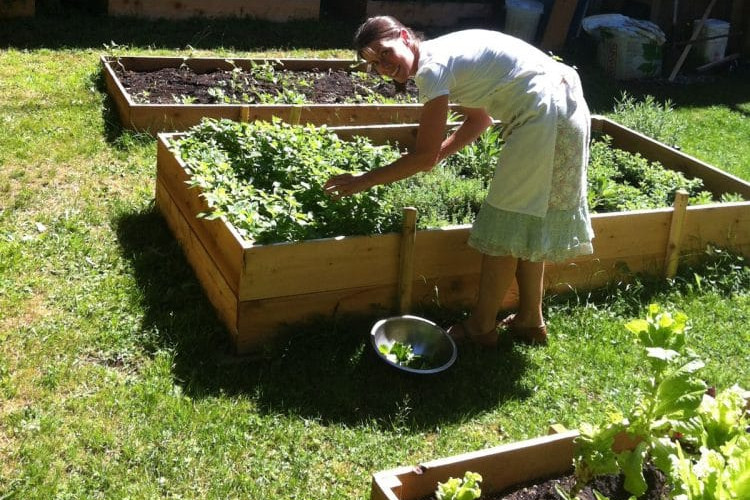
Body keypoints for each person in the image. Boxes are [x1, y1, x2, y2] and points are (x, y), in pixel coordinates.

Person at [324, 16, 595, 347]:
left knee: (505, 229)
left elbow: (424, 157)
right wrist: (439, 153)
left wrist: (362, 180)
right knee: (527, 220)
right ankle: (530, 321)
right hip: (565, 108)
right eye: (374, 63)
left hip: (542, 117)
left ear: (405, 36)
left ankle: (481, 328)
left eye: (384, 53)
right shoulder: (445, 54)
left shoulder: (431, 69)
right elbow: (480, 119)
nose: (383, 66)